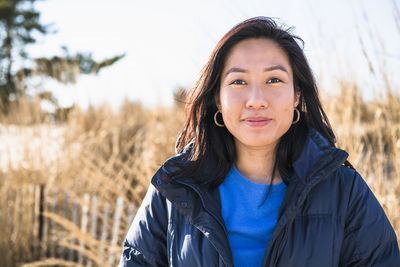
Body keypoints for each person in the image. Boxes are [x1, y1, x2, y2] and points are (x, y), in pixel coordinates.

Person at [119, 17, 400, 267]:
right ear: (218, 98)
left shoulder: (344, 191)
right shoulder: (175, 189)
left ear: (297, 96)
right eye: (238, 82)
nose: (256, 100)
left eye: (274, 80)